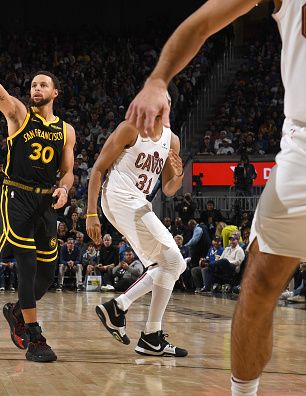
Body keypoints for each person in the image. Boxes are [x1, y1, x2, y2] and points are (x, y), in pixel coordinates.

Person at [124, 0, 305, 393]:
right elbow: (205, 20)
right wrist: (158, 80)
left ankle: (131, 315)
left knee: (172, 261)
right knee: (257, 286)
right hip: (302, 146)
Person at [0, 41, 75, 362]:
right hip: (16, 194)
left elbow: (68, 172)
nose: (36, 88)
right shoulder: (19, 114)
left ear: (55, 93)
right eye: (33, 84)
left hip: (46, 200)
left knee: (49, 272)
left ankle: (17, 311)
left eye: (43, 84)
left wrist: (64, 189)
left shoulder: (66, 130)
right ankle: (35, 338)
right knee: (28, 266)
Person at [86, 92, 188, 357]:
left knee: (170, 265)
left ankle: (147, 333)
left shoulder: (172, 140)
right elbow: (97, 169)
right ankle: (122, 311)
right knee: (174, 262)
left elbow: (168, 189)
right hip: (118, 198)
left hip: (138, 203)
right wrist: (90, 213)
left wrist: (178, 176)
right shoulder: (129, 128)